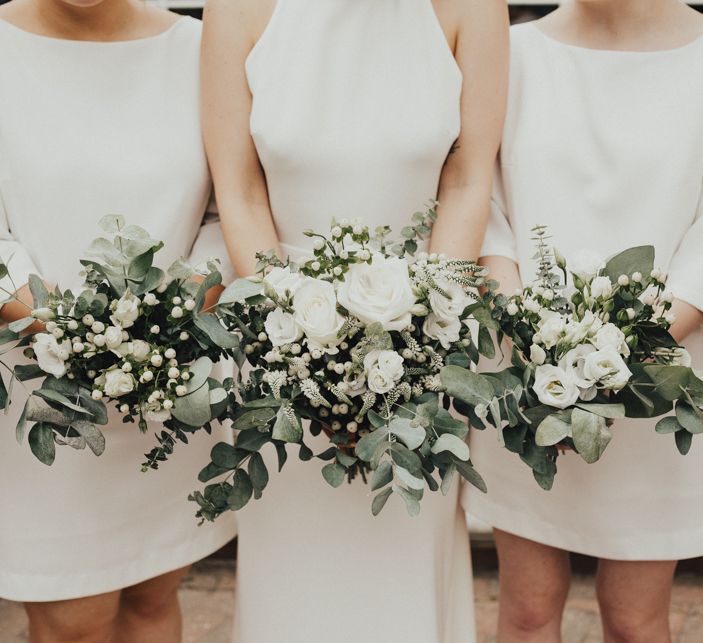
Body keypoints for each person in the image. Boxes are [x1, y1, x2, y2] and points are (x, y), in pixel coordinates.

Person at [201, 0, 508, 641]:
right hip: (280, 342)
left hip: (424, 344)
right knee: (294, 585)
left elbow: (468, 176)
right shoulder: (234, 9)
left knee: (401, 577)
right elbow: (239, 187)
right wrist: (293, 332)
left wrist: (424, 330)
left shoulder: (473, 8)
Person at [464, 1, 703, 641]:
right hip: (524, 376)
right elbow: (476, 197)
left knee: (635, 619)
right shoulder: (509, 54)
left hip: (661, 378)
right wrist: (528, 332)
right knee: (527, 611)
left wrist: (631, 351)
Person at [0, 0, 237, 640]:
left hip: (166, 384)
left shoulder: (200, 49)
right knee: (73, 620)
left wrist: (162, 320)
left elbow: (228, 210)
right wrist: (75, 336)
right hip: (34, 393)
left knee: (153, 598)